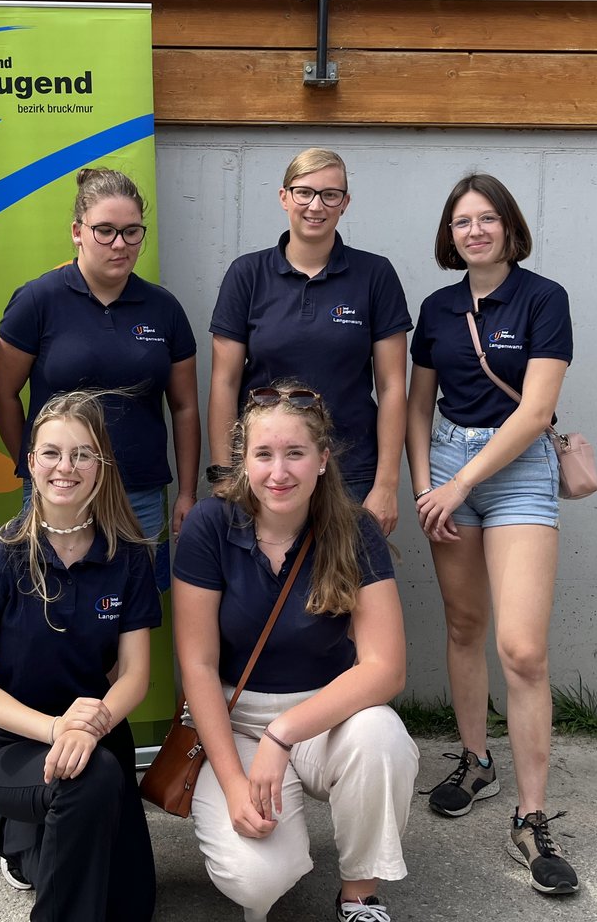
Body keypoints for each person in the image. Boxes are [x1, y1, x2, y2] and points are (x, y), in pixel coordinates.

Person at [173, 384, 419, 922]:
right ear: (244, 461)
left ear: (323, 459)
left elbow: (385, 668)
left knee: (381, 736)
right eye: (263, 454)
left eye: (295, 453)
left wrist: (283, 734)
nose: (279, 472)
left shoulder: (354, 530)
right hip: (233, 718)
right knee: (258, 881)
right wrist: (234, 784)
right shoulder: (210, 526)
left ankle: (359, 896)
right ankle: (262, 850)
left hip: (325, 716)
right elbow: (198, 665)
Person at [404, 173, 580, 896]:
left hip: (515, 470)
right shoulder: (437, 308)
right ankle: (476, 761)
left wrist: (461, 484)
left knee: (523, 650)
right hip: (445, 467)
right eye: (462, 221)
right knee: (464, 623)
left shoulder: (544, 299)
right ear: (449, 235)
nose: (474, 231)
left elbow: (536, 412)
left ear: (509, 227)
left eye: (487, 219)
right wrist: (426, 485)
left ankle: (532, 819)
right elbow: (417, 406)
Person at [0, 390, 160, 922]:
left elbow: (136, 674)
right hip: (11, 741)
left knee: (131, 905)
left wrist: (91, 726)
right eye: (51, 453)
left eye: (82, 454)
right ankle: (25, 837)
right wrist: (56, 729)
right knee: (89, 782)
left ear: (100, 467)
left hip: (98, 734)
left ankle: (24, 838)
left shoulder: (128, 556)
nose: (65, 467)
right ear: (31, 462)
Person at [0, 166, 199, 558]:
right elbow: (2, 391)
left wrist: (187, 493)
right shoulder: (37, 300)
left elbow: (185, 406)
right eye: (105, 230)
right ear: (77, 232)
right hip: (59, 490)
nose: (120, 244)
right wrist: (35, 464)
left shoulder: (164, 308)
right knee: (51, 592)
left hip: (139, 495)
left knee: (135, 596)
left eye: (132, 231)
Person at [207, 148, 411, 534]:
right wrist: (224, 472)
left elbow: (391, 387)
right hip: (266, 471)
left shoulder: (375, 275)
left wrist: (386, 484)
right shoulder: (247, 275)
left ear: (345, 203)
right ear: (284, 197)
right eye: (304, 192)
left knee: (347, 574)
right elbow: (224, 381)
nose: (316, 206)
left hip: (351, 471)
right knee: (266, 572)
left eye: (330, 195)